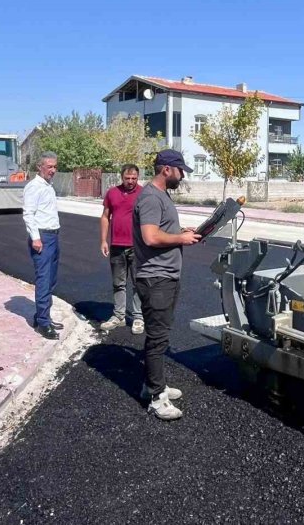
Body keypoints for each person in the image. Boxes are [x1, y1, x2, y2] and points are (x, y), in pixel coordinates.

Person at [133, 149, 201, 420]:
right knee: (157, 337)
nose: (182, 176)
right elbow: (150, 237)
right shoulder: (151, 197)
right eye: (180, 170)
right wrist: (180, 239)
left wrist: (181, 232)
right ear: (166, 169)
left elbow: (161, 229)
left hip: (165, 276)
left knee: (160, 335)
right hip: (156, 277)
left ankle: (153, 384)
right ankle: (156, 398)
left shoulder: (161, 195)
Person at [97, 164, 144, 334]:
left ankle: (138, 317)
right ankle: (119, 316)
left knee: (139, 284)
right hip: (117, 246)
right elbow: (105, 216)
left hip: (138, 247)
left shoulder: (144, 194)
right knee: (118, 283)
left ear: (137, 178)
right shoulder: (112, 193)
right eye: (127, 178)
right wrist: (103, 240)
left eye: (134, 178)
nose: (130, 181)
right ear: (122, 177)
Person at [23, 152, 63, 340]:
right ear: (40, 167)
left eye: (55, 166)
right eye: (49, 167)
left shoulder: (48, 185)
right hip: (43, 238)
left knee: (51, 280)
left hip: (53, 236)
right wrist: (36, 238)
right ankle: (43, 323)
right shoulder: (34, 187)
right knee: (44, 279)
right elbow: (28, 214)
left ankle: (43, 316)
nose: (53, 170)